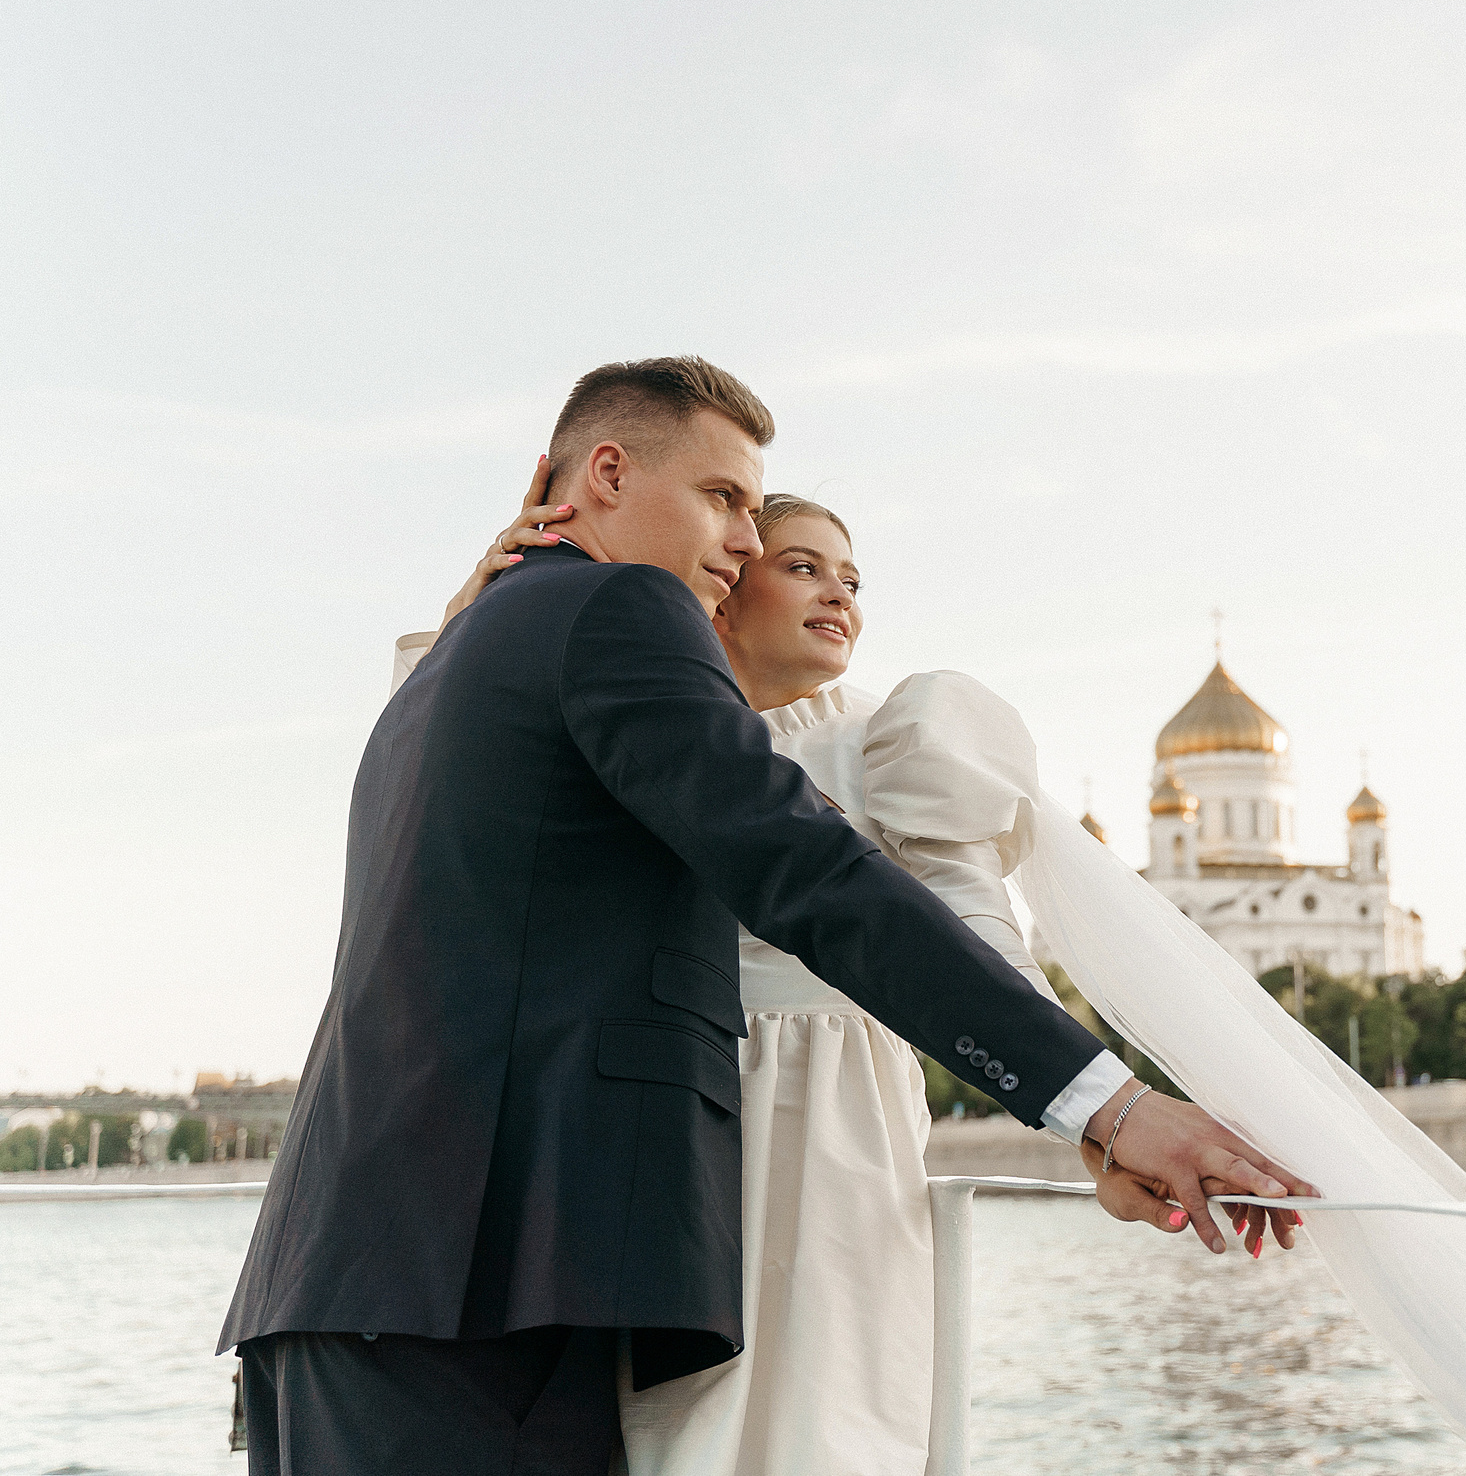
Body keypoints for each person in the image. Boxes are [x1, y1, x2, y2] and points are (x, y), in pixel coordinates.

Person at [219, 358, 1310, 1475]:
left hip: (360, 1283)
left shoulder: (453, 663)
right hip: (463, 1302)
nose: (740, 539)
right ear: (603, 473)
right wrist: (1108, 1110)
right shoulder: (617, 607)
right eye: (724, 498)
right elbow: (810, 873)